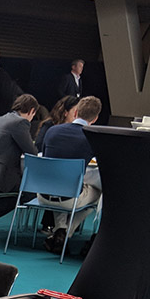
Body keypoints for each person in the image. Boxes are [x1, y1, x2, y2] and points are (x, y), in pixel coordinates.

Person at [39, 95, 103, 254]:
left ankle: (60, 229)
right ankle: (66, 233)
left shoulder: (52, 131)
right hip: (69, 198)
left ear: (75, 113)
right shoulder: (92, 138)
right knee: (98, 192)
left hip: (43, 193)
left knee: (61, 183)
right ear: (95, 118)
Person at [0, 93, 39, 194]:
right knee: (32, 192)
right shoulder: (20, 122)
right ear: (32, 111)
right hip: (0, 180)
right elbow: (31, 152)